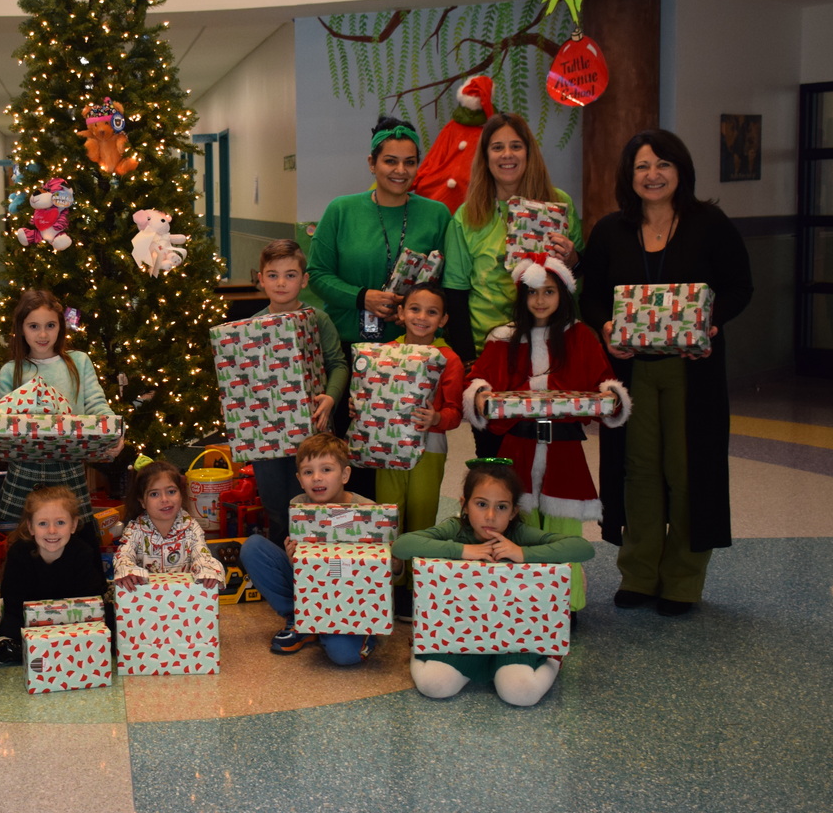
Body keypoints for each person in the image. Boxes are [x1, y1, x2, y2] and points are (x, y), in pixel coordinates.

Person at [579, 130, 753, 617]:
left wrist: (712, 325)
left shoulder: (709, 224)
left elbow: (741, 287)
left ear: (681, 171)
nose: (652, 175)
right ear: (628, 176)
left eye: (663, 165)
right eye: (641, 166)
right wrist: (606, 326)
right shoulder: (611, 230)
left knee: (687, 470)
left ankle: (682, 579)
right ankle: (639, 573)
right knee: (638, 473)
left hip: (690, 372)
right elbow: (590, 296)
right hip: (631, 373)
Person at [463, 256, 631, 611]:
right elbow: (479, 380)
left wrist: (610, 397)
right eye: (532, 292)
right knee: (516, 527)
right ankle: (520, 606)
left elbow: (604, 382)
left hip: (565, 451)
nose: (540, 300)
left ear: (563, 294)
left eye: (549, 291)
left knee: (563, 532)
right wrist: (478, 395)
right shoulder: (503, 338)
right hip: (517, 447)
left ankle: (566, 607)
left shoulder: (581, 337)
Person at [308, 115, 450, 494]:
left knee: (403, 455)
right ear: (372, 163)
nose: (400, 170)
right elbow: (318, 273)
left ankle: (399, 543)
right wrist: (363, 297)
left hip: (408, 356)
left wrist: (412, 304)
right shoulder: (341, 210)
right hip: (345, 351)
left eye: (409, 161)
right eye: (390, 161)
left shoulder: (436, 214)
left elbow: (444, 282)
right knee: (346, 453)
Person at [393, 458, 594, 707]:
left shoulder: (517, 533)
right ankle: (420, 646)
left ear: (513, 511)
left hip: (516, 635)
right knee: (434, 685)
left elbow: (582, 549)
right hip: (459, 633)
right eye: (481, 504)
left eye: (501, 507)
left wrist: (523, 553)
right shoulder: (456, 529)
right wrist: (462, 550)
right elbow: (402, 546)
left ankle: (552, 657)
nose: (490, 516)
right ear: (464, 506)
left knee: (521, 694)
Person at [442, 113, 583, 458]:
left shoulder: (558, 204)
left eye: (516, 146)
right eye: (497, 147)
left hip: (548, 351)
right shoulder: (468, 216)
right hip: (490, 356)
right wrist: (468, 364)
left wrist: (574, 260)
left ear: (529, 152)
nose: (507, 155)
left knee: (549, 457)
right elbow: (456, 296)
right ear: (486, 157)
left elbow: (577, 279)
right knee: (495, 460)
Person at [0, 289, 125, 526]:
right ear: (21, 328)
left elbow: (97, 406)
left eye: (50, 325)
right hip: (23, 470)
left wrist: (115, 432)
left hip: (70, 466)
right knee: (20, 540)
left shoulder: (79, 362)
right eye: (33, 326)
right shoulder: (11, 370)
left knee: (77, 539)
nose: (43, 334)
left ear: (61, 327)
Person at [239, 434, 378, 664]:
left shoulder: (367, 510)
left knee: (344, 656)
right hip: (312, 590)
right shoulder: (299, 505)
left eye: (326, 469)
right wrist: (296, 560)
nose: (316, 478)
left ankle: (359, 631)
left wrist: (392, 563)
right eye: (308, 472)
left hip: (351, 601)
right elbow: (306, 568)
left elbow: (379, 572)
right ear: (300, 479)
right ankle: (299, 618)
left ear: (345, 475)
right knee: (253, 547)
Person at [246, 240, 350, 547]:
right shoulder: (251, 327)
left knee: (319, 498)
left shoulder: (318, 319)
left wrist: (330, 398)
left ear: (304, 280)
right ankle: (285, 568)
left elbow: (338, 364)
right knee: (277, 503)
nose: (281, 283)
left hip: (312, 427)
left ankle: (321, 568)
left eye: (290, 275)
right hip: (267, 436)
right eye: (273, 275)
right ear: (260, 278)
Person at [373, 281, 465, 619]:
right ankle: (390, 586)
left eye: (431, 312)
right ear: (400, 313)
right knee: (389, 517)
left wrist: (438, 416)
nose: (422, 317)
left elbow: (456, 411)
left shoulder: (449, 359)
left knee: (423, 517)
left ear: (443, 320)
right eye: (414, 309)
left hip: (431, 447)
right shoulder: (384, 352)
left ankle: (416, 589)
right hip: (387, 447)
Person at [0, 485, 108, 665]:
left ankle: (57, 648)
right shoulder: (20, 553)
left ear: (73, 525)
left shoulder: (82, 552)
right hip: (27, 620)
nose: (52, 531)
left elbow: (92, 598)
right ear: (30, 527)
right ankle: (20, 648)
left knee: (109, 621)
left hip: (72, 620)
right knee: (8, 625)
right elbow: (12, 600)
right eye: (43, 523)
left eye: (60, 523)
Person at [113, 461, 225, 590]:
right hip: (146, 600)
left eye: (171, 492)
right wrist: (128, 572)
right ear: (142, 502)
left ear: (181, 494)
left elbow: (202, 554)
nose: (165, 499)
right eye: (154, 494)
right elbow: (123, 555)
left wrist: (207, 572)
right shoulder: (135, 530)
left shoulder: (191, 527)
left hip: (184, 598)